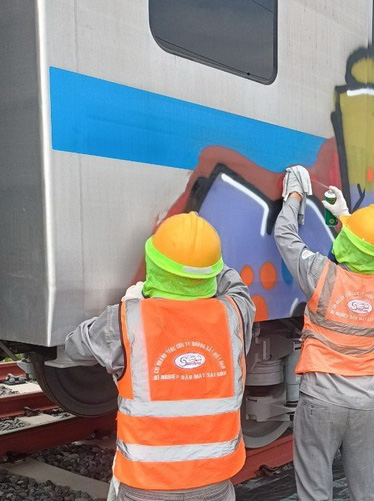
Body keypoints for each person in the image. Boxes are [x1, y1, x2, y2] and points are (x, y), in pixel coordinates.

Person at [64, 212, 255, 501]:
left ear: (154, 263)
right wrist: (202, 254)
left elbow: (74, 347)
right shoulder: (235, 315)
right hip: (213, 484)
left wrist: (128, 305)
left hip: (144, 486)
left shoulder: (126, 320)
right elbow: (235, 285)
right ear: (211, 272)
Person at [274, 165, 374, 501]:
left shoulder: (320, 275)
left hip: (321, 402)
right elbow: (373, 253)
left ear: (347, 242)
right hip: (366, 405)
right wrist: (344, 214)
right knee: (368, 493)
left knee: (315, 492)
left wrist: (295, 195)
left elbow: (285, 236)